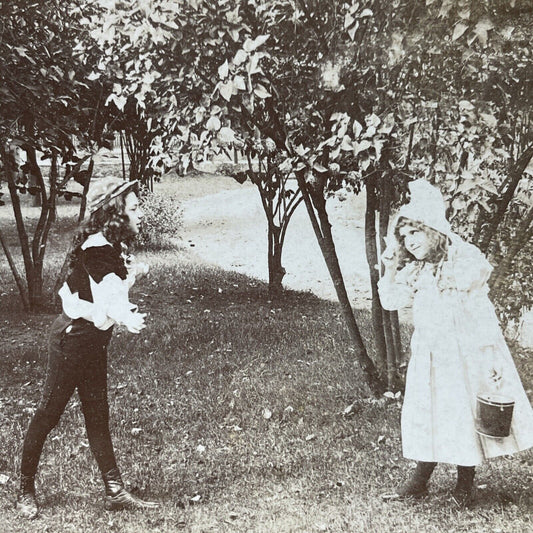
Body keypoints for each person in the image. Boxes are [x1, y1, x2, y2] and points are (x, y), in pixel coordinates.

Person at [378, 179, 533, 506]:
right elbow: (391, 300)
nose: (410, 242)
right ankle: (420, 480)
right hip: (430, 352)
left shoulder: (463, 257)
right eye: (404, 237)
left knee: (461, 411)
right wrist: (391, 269)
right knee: (428, 411)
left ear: (433, 229)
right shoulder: (418, 266)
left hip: (464, 352)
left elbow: (473, 287)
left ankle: (465, 485)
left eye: (415, 232)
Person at [16, 177, 158, 519]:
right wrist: (128, 317)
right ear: (115, 212)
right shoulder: (97, 249)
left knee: (97, 414)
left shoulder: (107, 246)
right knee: (49, 414)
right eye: (134, 208)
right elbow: (109, 300)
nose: (140, 213)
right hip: (72, 343)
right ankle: (25, 488)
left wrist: (132, 277)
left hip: (92, 342)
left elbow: (105, 288)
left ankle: (114, 490)